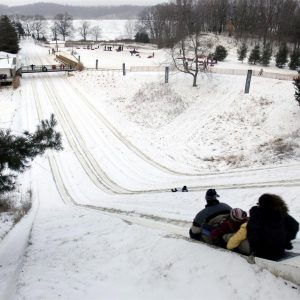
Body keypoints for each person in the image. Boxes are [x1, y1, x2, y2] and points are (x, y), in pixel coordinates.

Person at [247, 193, 299, 260]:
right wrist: (286, 241)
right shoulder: (281, 213)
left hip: (262, 254)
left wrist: (254, 251)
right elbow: (295, 226)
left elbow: (252, 236)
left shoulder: (256, 216)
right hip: (279, 252)